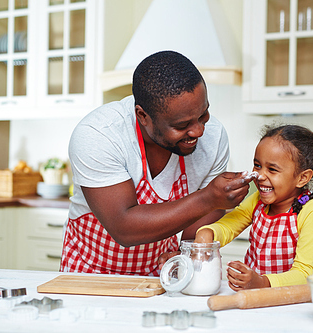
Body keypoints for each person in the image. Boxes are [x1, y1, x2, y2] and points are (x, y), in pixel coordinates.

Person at [60, 50, 254, 276]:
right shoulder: (98, 135)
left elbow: (204, 214)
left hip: (163, 271)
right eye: (182, 125)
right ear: (142, 116)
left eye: (203, 114)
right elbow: (124, 228)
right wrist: (209, 198)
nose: (199, 131)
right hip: (90, 272)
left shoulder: (214, 136)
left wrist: (185, 254)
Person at [194, 124, 313, 290]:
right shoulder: (256, 201)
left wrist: (262, 282)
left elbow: (304, 274)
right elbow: (229, 225)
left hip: (294, 303)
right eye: (257, 165)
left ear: (302, 178)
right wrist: (208, 233)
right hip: (256, 296)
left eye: (272, 169)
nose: (260, 175)